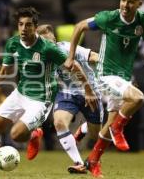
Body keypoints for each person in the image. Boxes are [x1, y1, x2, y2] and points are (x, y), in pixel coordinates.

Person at [0, 7, 98, 174]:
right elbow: (6, 70)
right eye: (20, 24)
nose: (23, 28)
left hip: (41, 99)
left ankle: (36, 132)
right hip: (21, 93)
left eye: (28, 25)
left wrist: (88, 89)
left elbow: (74, 66)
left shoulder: (47, 48)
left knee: (16, 135)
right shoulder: (13, 43)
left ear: (35, 27)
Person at [65, 0, 144, 177]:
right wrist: (71, 56)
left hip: (123, 76)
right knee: (138, 98)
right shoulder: (109, 17)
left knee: (107, 126)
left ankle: (91, 161)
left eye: (130, 2)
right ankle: (118, 128)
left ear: (139, 3)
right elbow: (80, 26)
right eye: (123, 0)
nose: (125, 5)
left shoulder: (142, 20)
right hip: (105, 74)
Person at [37, 24, 102, 174]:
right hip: (66, 92)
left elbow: (93, 56)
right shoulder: (43, 59)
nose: (47, 46)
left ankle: (84, 128)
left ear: (54, 39)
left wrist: (112, 69)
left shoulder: (67, 48)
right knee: (59, 122)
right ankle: (79, 163)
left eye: (49, 41)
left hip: (90, 91)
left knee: (97, 135)